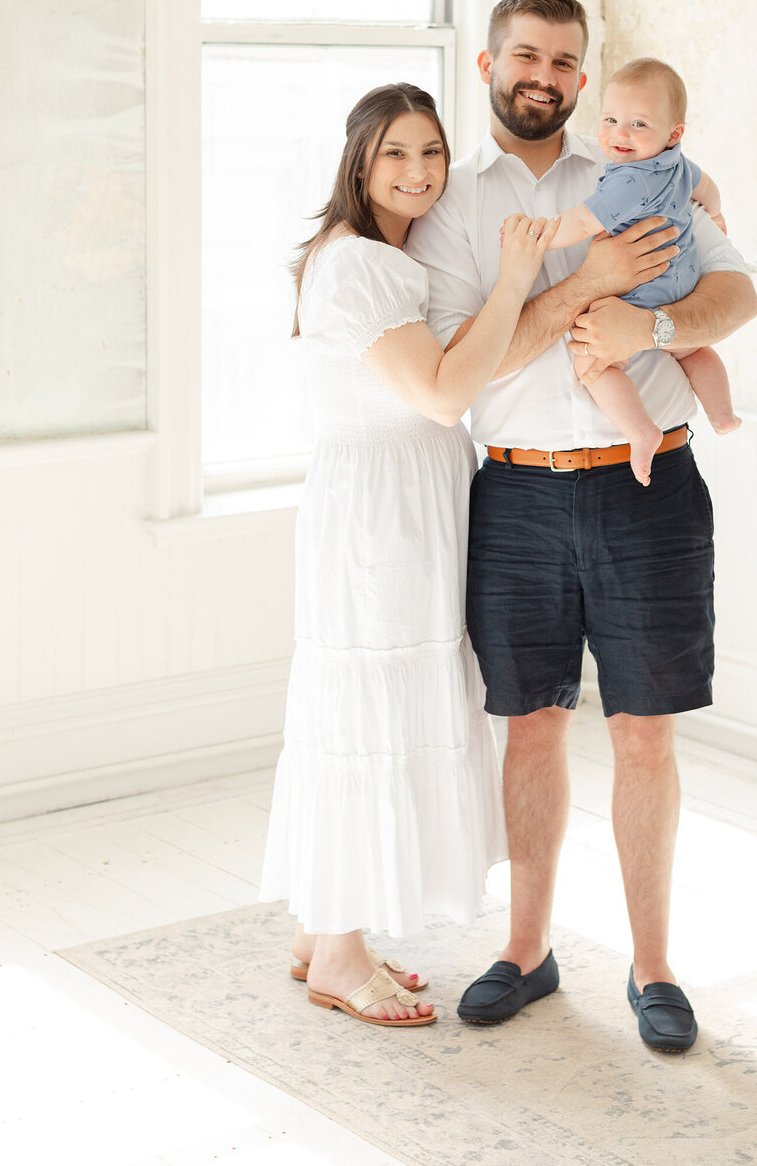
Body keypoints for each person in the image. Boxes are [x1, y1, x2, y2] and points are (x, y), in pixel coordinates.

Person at [406, 0, 757, 1052]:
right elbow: (464, 371)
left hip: (648, 486)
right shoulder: (455, 207)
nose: (545, 77)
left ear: (585, 76)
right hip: (513, 488)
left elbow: (735, 298)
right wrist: (587, 284)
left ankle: (653, 967)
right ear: (488, 65)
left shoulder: (646, 176)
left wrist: (646, 314)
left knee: (645, 731)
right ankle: (525, 951)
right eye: (526, 55)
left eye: (566, 61)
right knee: (532, 723)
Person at [259, 82, 558, 1029]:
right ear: (359, 161)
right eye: (397, 153)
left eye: (433, 152)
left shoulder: (384, 259)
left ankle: (323, 925)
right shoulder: (359, 268)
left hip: (398, 505)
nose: (421, 171)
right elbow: (440, 394)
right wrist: (515, 282)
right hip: (383, 519)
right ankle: (340, 955)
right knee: (370, 716)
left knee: (365, 708)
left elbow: (462, 370)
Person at [542, 55, 740, 486]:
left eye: (638, 124)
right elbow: (708, 188)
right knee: (696, 350)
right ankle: (722, 414)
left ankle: (640, 431)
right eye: (611, 119)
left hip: (641, 290)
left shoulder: (629, 179)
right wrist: (717, 214)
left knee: (592, 365)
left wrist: (539, 237)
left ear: (674, 132)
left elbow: (581, 223)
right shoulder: (680, 165)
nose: (619, 134)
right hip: (682, 284)